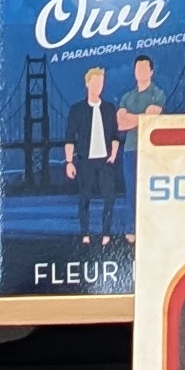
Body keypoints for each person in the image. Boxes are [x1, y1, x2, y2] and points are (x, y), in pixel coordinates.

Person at [63, 60, 113, 242]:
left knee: (110, 197)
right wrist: (69, 162)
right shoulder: (76, 110)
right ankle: (85, 234)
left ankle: (106, 233)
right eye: (95, 82)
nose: (98, 86)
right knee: (84, 198)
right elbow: (69, 138)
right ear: (87, 83)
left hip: (106, 161)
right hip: (85, 160)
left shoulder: (109, 108)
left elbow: (115, 135)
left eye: (101, 82)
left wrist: (113, 154)